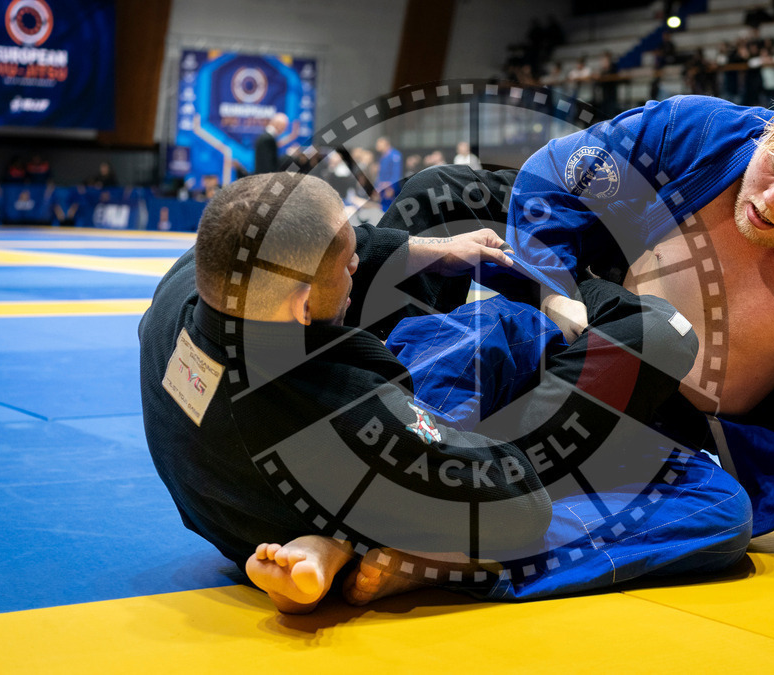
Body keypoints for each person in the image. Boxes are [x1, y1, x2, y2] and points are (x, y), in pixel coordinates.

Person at [372, 74, 774, 561]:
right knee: (440, 197)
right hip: (581, 331)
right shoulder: (698, 132)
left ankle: (473, 547)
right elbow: (553, 176)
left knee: (723, 517)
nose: (772, 199)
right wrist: (552, 291)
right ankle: (357, 391)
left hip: (669, 430)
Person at [140, 171, 705, 612]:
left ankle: (338, 544)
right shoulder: (352, 411)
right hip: (371, 473)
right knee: (709, 483)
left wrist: (433, 249)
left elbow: (339, 245)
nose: (357, 262)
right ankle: (426, 559)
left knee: (436, 197)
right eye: (347, 267)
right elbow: (520, 507)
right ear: (302, 306)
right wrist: (571, 293)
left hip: (243, 502)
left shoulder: (189, 290)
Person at [374, 136, 404, 211]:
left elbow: (396, 173)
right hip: (382, 187)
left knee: (390, 208)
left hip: (390, 188)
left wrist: (391, 187)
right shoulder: (382, 157)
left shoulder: (395, 155)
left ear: (385, 143)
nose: (377, 145)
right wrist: (377, 186)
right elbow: (380, 175)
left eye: (379, 143)